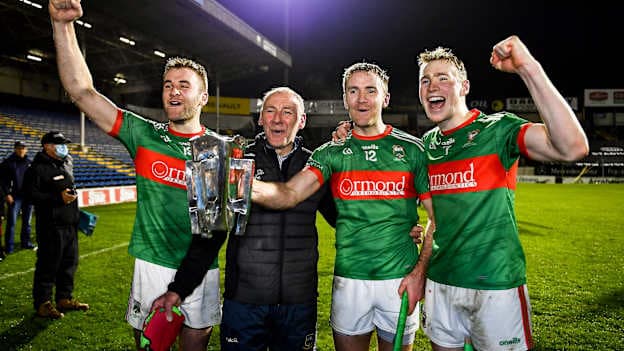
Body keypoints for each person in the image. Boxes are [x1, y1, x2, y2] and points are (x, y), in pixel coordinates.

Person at [49, 1, 226, 349]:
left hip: (202, 268)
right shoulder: (144, 135)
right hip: (151, 265)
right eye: (168, 84)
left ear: (203, 96)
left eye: (184, 85)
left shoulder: (222, 149)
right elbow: (82, 92)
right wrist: (62, 26)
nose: (174, 91)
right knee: (149, 346)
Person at [416, 35, 589, 351]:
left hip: (496, 286)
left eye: (443, 78)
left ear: (465, 87)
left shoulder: (498, 129)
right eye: (425, 81)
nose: (432, 86)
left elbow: (573, 147)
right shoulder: (425, 146)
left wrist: (528, 68)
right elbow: (434, 219)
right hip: (441, 284)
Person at [252, 62, 435, 351]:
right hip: (349, 283)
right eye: (354, 90)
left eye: (370, 90)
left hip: (399, 281)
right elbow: (288, 194)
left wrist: (419, 274)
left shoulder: (413, 150)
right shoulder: (330, 153)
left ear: (385, 98)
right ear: (345, 98)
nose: (362, 99)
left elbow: (437, 220)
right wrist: (237, 183)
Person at [152, 86, 338, 350]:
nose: (277, 119)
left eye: (287, 112)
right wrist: (178, 289)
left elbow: (345, 221)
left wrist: (398, 228)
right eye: (270, 111)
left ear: (302, 120)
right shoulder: (235, 161)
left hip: (299, 302)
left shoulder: (316, 167)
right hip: (244, 303)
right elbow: (209, 236)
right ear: (260, 118)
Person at [23, 131, 88, 319]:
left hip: (70, 223)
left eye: (64, 144)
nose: (64, 147)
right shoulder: (36, 169)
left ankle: (64, 298)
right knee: (48, 265)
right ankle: (43, 304)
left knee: (70, 263)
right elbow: (29, 196)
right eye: (59, 144)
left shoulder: (67, 162)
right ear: (47, 146)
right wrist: (56, 198)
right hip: (51, 225)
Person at [1, 140, 35, 253]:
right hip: (15, 197)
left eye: (23, 148)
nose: (21, 150)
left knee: (27, 222)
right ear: (15, 149)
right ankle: (9, 247)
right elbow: (2, 181)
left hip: (28, 197)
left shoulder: (30, 163)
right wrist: (7, 194)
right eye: (19, 148)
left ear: (26, 149)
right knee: (11, 223)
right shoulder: (7, 163)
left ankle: (26, 243)